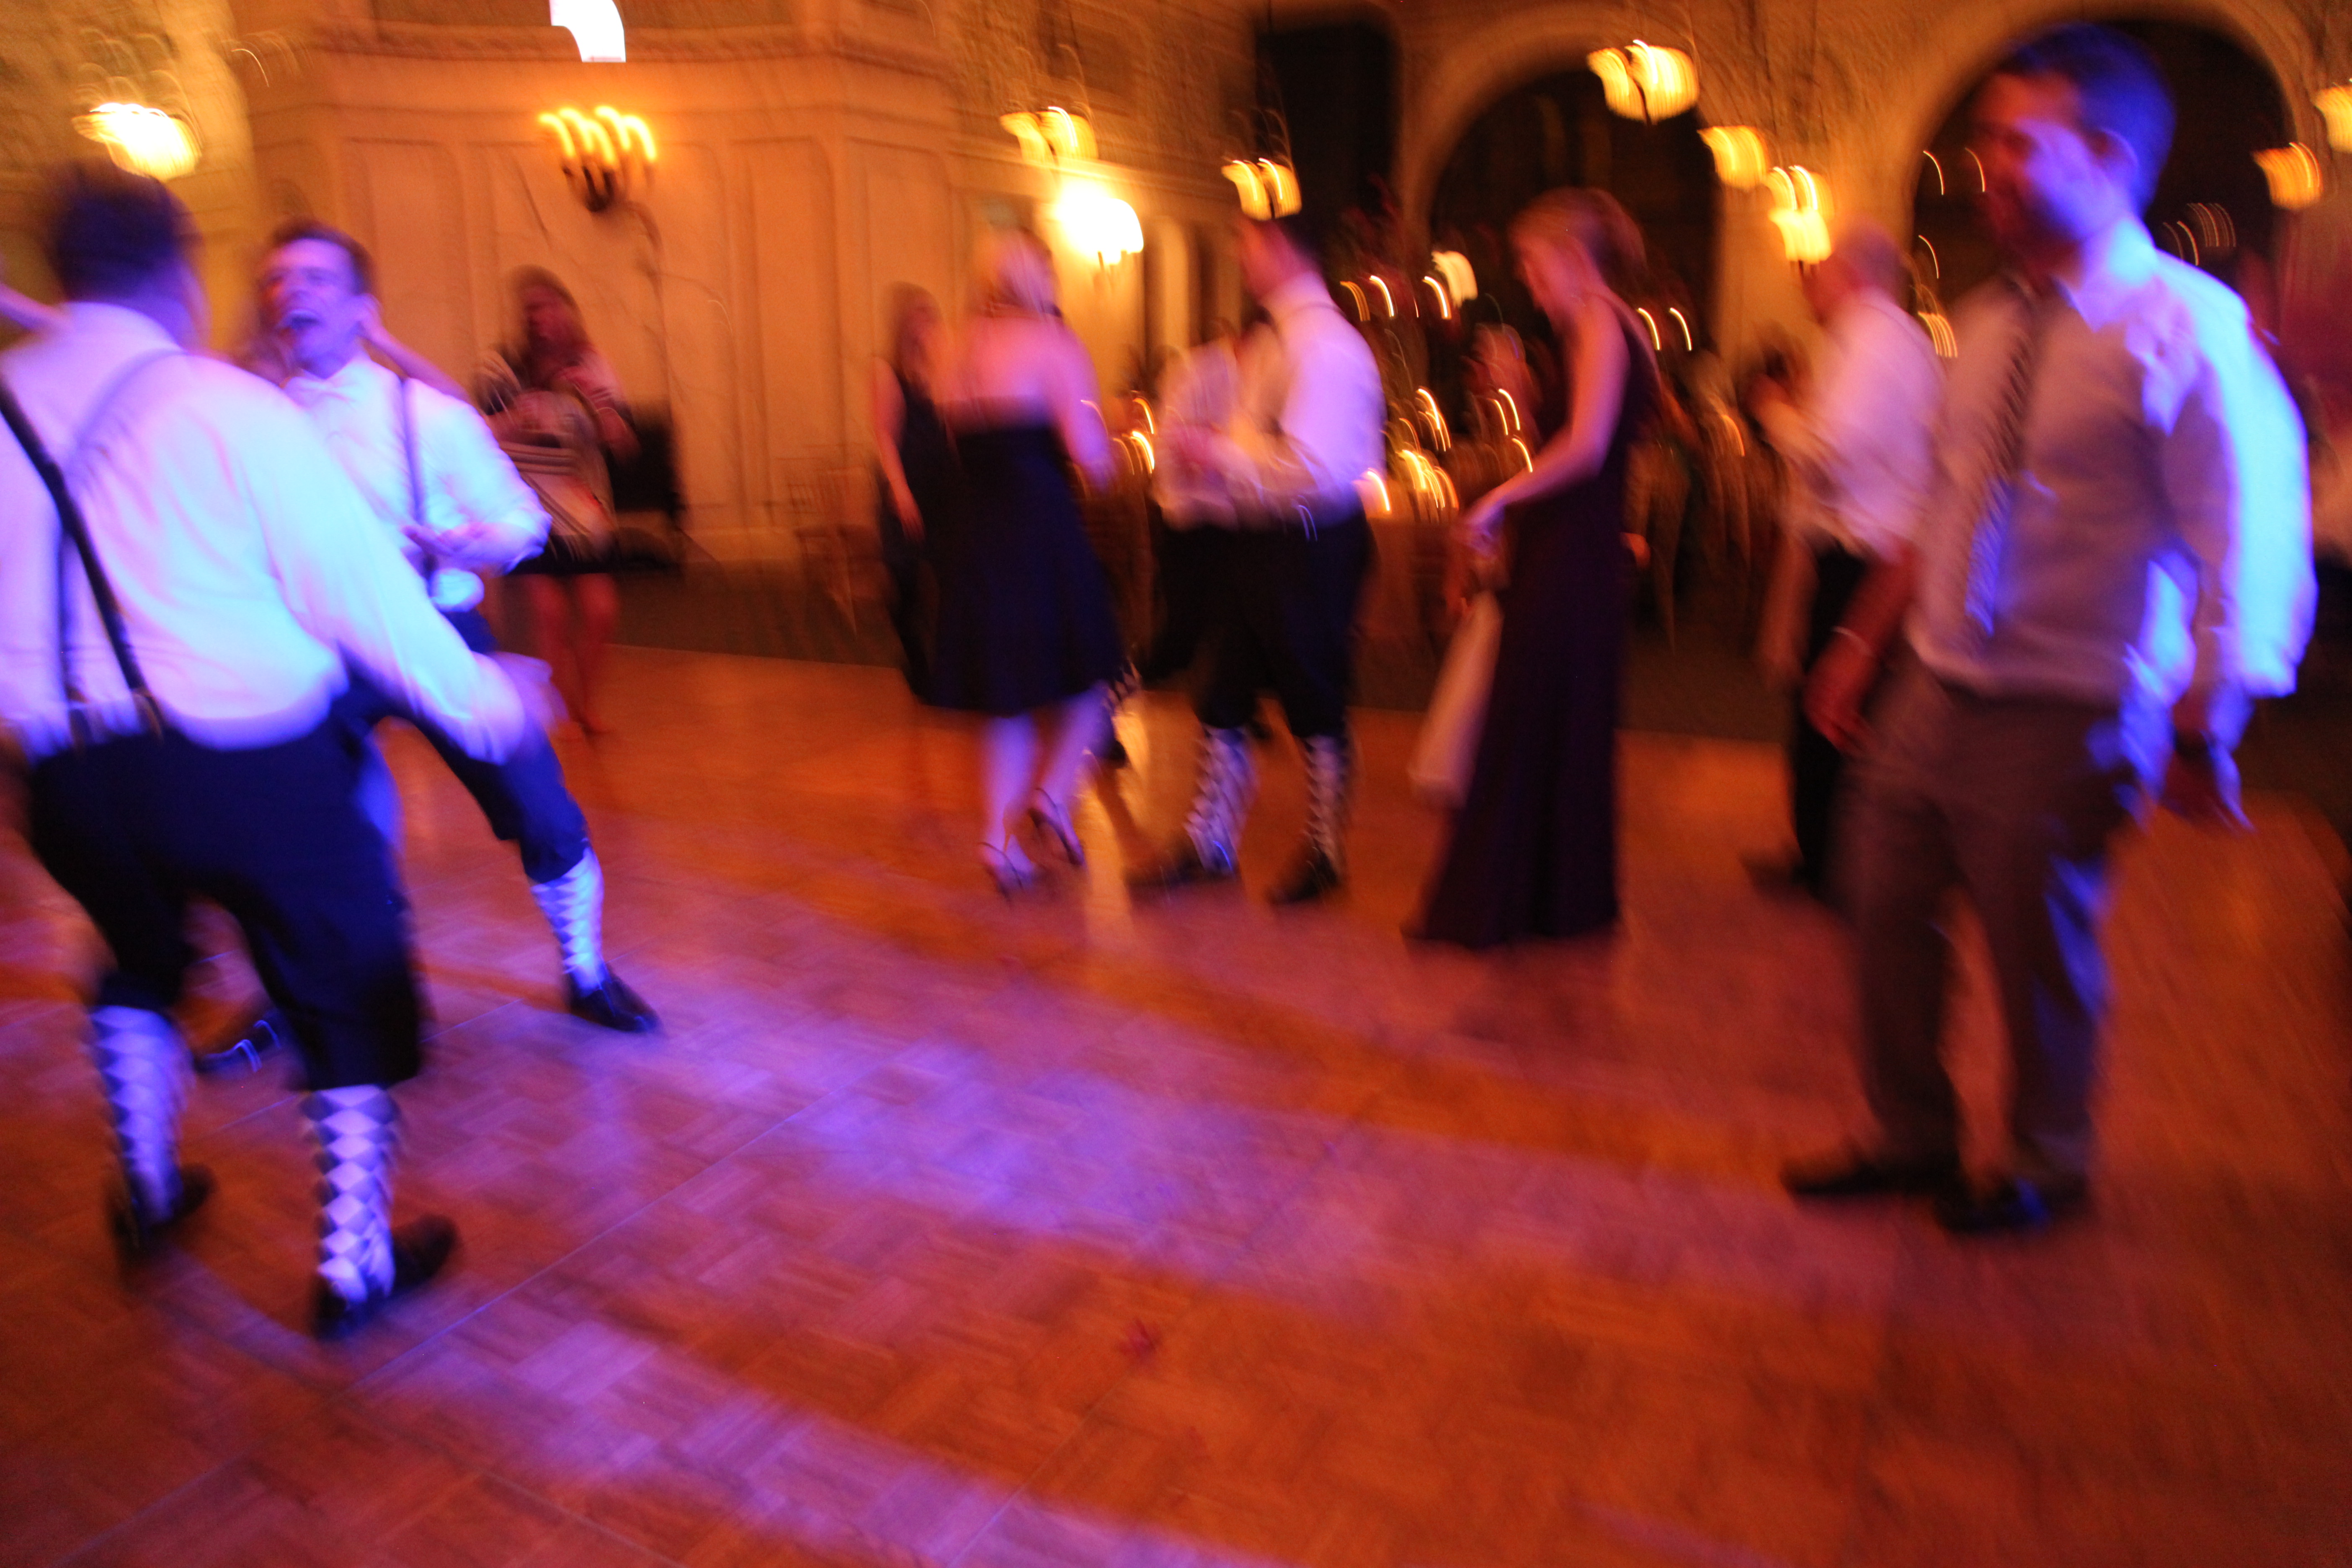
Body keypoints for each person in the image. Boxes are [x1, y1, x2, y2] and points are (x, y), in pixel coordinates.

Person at [0, 164, 546, 1334]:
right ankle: (352, 1264)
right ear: (180, 278)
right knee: (344, 977)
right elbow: (359, 595)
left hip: (63, 774)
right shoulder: (227, 407)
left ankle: (148, 1193)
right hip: (242, 765)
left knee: (135, 954)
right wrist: (487, 702)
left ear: (63, 272)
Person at [1787, 26, 2314, 1233]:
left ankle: (2044, 1155)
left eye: (2018, 144)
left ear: (2110, 158)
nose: (1989, 166)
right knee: (1878, 901)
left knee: (2034, 941)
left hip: (2075, 699)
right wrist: (1862, 646)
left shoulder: (2185, 327)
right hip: (1940, 680)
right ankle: (1909, 1132)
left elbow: (2249, 535)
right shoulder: (1985, 325)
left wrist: (2209, 718)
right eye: (1985, 139)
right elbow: (1944, 504)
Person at [261, 219, 658, 1034]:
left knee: (539, 805)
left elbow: (522, 521)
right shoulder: (250, 422)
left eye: (316, 279)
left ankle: (586, 969)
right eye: (279, 279)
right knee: (293, 826)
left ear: (362, 309)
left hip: (436, 625)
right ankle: (313, 989)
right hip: (318, 648)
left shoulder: (426, 414)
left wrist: (467, 543)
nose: (293, 292)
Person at [1410, 189, 1659, 947]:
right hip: (1576, 551)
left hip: (1571, 555)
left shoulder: (1598, 321)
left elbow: (1586, 448)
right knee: (1555, 721)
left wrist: (1496, 500)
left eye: (1531, 259)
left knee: (1524, 718)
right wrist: (1523, 396)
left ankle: (1501, 906)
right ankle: (1558, 902)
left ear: (1574, 257)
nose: (1524, 275)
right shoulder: (1614, 325)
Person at [1127, 212, 1385, 905]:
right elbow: (1263, 442)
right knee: (1222, 688)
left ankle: (1326, 850)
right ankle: (1209, 839)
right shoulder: (1279, 339)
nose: (1240, 256)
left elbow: (1316, 468)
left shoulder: (1324, 346)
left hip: (1311, 543)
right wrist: (1223, 449)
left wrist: (1219, 452)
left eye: (1248, 243)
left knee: (1313, 697)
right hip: (1258, 537)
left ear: (1282, 251)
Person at [1746, 219, 1943, 898]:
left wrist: (1774, 413)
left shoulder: (1870, 339)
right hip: (1875, 552)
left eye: (1822, 271)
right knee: (1840, 706)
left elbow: (1833, 457)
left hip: (1861, 556)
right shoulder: (1893, 340)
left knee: (1831, 706)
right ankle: (1830, 861)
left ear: (1856, 276)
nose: (1809, 283)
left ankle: (1832, 868)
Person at [928, 232, 1122, 893]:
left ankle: (997, 840)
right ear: (1034, 279)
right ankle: (1053, 795)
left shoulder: (954, 348)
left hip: (977, 536)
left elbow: (959, 450)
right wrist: (1114, 443)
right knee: (1096, 674)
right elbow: (1091, 459)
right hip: (1042, 533)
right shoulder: (1053, 344)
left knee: (1005, 698)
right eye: (1048, 269)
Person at [476, 268, 635, 734]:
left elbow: (623, 445)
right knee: (549, 615)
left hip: (583, 509)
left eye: (550, 307)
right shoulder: (501, 367)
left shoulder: (592, 364)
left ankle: (583, 705)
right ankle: (552, 712)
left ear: (568, 312)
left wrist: (599, 404)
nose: (542, 318)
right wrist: (518, 415)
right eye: (532, 310)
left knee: (602, 612)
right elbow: (478, 435)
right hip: (526, 505)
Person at [872, 284, 957, 699]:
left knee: (949, 578)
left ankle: (946, 668)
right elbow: (885, 436)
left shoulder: (941, 370)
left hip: (943, 487)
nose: (928, 324)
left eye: (932, 314)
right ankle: (915, 662)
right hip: (906, 484)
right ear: (905, 324)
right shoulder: (887, 371)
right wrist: (899, 489)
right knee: (904, 581)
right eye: (920, 316)